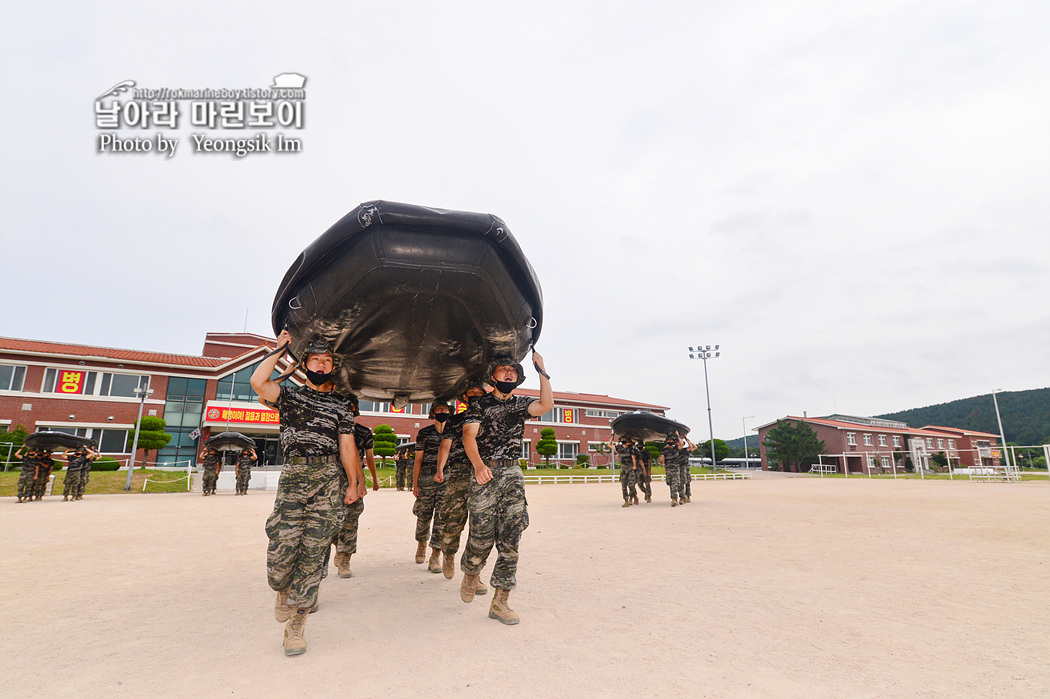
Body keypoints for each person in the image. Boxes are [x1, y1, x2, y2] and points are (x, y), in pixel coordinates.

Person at [250, 330, 361, 657]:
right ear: (305, 364)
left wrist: (353, 483)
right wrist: (281, 348)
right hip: (295, 476)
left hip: (328, 477)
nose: (322, 365)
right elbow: (258, 382)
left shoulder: (341, 403)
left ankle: (297, 623)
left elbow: (347, 445)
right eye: (316, 359)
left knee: (314, 552)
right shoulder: (289, 396)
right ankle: (282, 589)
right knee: (282, 550)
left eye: (328, 361)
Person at [459, 353, 553, 625]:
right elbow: (469, 436)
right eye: (503, 370)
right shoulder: (479, 403)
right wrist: (478, 466)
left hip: (512, 473)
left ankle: (501, 601)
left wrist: (542, 371)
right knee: (481, 536)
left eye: (513, 371)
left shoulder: (521, 404)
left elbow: (546, 404)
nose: (509, 374)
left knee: (511, 539)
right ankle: (471, 572)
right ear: (493, 376)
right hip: (485, 472)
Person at [434, 382, 488, 594]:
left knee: (481, 525)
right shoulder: (455, 420)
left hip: (483, 475)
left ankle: (475, 574)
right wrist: (440, 469)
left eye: (479, 393)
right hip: (458, 473)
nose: (475, 395)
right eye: (471, 393)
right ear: (464, 398)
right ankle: (448, 553)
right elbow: (445, 446)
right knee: (453, 520)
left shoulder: (489, 415)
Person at [331, 396, 380, 578]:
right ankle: (337, 545)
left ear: (354, 407)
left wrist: (369, 480)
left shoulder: (363, 432)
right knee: (330, 520)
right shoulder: (328, 429)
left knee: (350, 521)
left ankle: (345, 559)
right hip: (329, 480)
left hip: (352, 479)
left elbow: (367, 458)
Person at [413, 402, 451, 573]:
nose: (443, 411)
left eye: (446, 409)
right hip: (427, 477)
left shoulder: (454, 433)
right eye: (440, 409)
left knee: (442, 518)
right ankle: (421, 543)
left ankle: (435, 555)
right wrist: (415, 484)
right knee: (423, 515)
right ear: (433, 412)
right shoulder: (424, 433)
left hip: (447, 479)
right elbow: (418, 460)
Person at [661, 432, 695, 506]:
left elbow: (682, 443)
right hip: (668, 469)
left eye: (671, 440)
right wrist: (662, 460)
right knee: (669, 483)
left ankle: (675, 499)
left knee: (676, 483)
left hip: (676, 469)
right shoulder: (664, 450)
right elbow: (662, 457)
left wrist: (678, 436)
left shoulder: (676, 449)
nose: (669, 441)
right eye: (668, 440)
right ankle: (679, 497)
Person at [612, 435, 640, 507]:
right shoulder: (619, 448)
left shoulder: (631, 449)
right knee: (623, 484)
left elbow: (633, 457)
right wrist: (612, 437)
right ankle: (626, 500)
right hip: (624, 467)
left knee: (631, 484)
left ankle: (634, 496)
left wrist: (634, 466)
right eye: (622, 439)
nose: (623, 440)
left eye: (625, 439)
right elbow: (609, 445)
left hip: (630, 467)